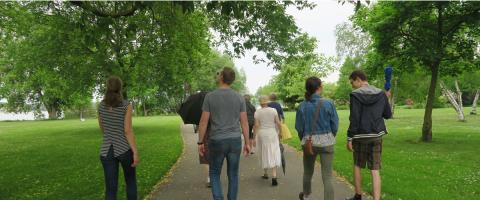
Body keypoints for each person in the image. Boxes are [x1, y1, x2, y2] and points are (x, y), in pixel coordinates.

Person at [197, 67, 250, 200]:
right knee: (233, 174)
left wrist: (200, 142)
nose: (217, 75)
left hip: (217, 141)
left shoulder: (210, 97)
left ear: (221, 77)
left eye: (218, 73)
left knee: (214, 173)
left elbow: (203, 122)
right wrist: (247, 143)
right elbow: (244, 122)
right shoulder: (239, 97)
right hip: (235, 141)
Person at [345, 70, 392, 200]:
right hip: (376, 135)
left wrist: (350, 138)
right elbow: (388, 115)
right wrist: (386, 98)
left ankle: (358, 196)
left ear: (358, 79)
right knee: (375, 169)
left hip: (360, 136)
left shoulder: (355, 95)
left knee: (357, 165)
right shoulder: (381, 94)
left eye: (352, 82)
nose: (352, 85)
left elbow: (354, 118)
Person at [296, 77, 339, 200]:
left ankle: (306, 196)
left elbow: (299, 128)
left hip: (309, 142)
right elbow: (335, 125)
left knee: (308, 172)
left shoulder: (302, 106)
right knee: (328, 176)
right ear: (319, 87)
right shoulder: (329, 103)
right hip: (327, 143)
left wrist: (304, 140)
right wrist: (330, 137)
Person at [98, 76, 139, 200]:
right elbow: (127, 130)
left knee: (111, 189)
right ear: (120, 88)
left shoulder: (101, 106)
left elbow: (103, 128)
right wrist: (135, 152)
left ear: (107, 87)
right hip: (124, 149)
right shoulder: (126, 105)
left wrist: (111, 135)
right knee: (130, 182)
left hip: (106, 151)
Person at [253, 95, 282, 186]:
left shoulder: (257, 112)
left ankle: (265, 173)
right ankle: (274, 176)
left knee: (263, 152)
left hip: (262, 134)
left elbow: (256, 126)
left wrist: (253, 138)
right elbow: (278, 123)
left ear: (260, 103)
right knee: (273, 152)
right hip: (272, 133)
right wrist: (280, 132)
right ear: (267, 102)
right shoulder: (273, 110)